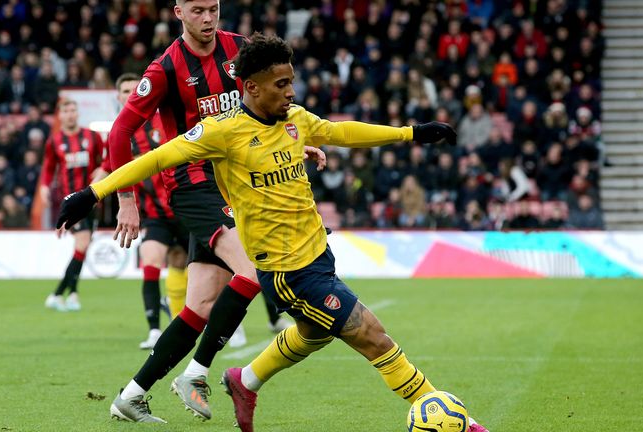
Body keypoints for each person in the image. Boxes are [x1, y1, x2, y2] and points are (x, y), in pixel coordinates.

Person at [55, 33, 487, 432]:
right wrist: (94, 193)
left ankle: (245, 379)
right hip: (288, 272)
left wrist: (411, 133)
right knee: (374, 336)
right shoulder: (222, 133)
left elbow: (340, 132)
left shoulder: (294, 119)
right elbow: (156, 158)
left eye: (291, 81)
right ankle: (453, 420)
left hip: (318, 254)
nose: (291, 91)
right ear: (251, 88)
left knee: (314, 334)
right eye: (281, 84)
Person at [98, 0, 305, 423]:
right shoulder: (165, 68)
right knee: (252, 271)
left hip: (233, 183)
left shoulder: (241, 50)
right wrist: (126, 199)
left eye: (213, 9)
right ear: (178, 13)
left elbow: (267, 105)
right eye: (198, 11)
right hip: (193, 184)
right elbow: (120, 132)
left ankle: (131, 396)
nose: (208, 19)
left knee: (201, 306)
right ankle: (196, 372)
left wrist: (297, 140)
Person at [103, 73, 190, 350]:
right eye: (124, 89)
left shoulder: (163, 121)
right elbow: (106, 170)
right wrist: (84, 196)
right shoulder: (122, 135)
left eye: (133, 88)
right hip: (155, 215)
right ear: (118, 96)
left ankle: (195, 319)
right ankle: (154, 329)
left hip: (186, 206)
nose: (130, 93)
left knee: (187, 264)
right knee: (151, 262)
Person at [41, 99, 104, 312]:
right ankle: (59, 293)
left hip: (92, 200)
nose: (70, 114)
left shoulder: (92, 137)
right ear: (60, 115)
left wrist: (102, 170)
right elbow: (49, 167)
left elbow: (104, 160)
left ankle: (70, 294)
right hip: (70, 202)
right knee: (82, 242)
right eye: (66, 111)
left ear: (77, 113)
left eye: (73, 110)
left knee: (82, 248)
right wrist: (43, 186)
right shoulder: (55, 141)